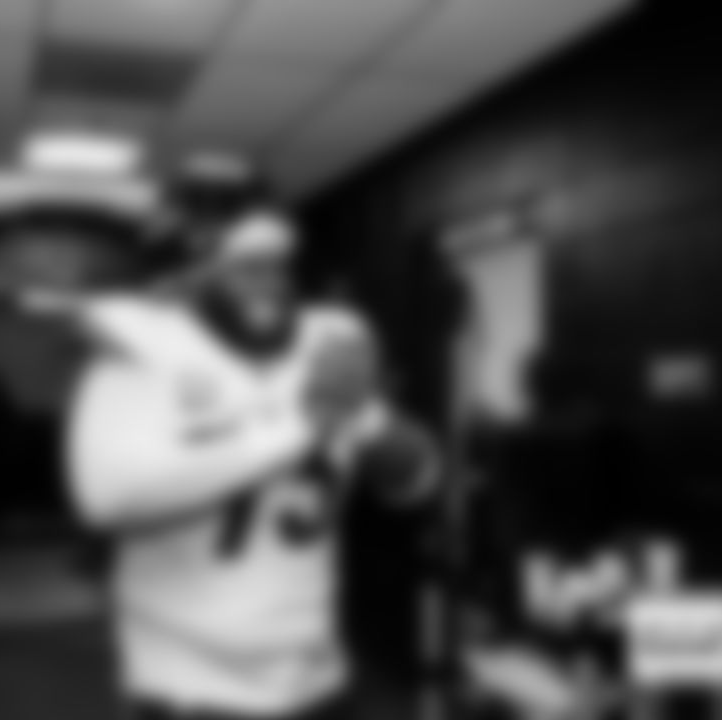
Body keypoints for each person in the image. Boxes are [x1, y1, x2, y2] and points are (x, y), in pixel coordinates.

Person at [65, 206, 446, 720]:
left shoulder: (324, 345)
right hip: (191, 686)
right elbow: (108, 496)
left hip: (316, 678)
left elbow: (419, 482)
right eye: (245, 265)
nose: (269, 282)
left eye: (278, 264)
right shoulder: (143, 351)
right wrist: (299, 429)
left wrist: (368, 420)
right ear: (193, 273)